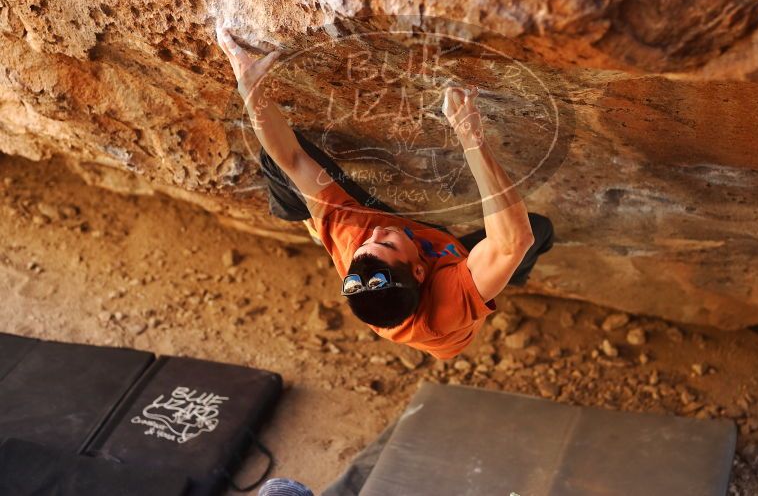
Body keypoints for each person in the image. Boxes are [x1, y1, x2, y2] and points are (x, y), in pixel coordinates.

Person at [216, 26, 553, 360]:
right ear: (420, 272)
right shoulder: (446, 302)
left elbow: (291, 158)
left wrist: (250, 89)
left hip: (406, 241)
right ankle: (503, 279)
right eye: (387, 244)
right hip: (450, 274)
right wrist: (469, 133)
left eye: (369, 244)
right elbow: (514, 241)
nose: (377, 232)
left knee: (278, 163)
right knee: (536, 230)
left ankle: (302, 214)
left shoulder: (354, 237)